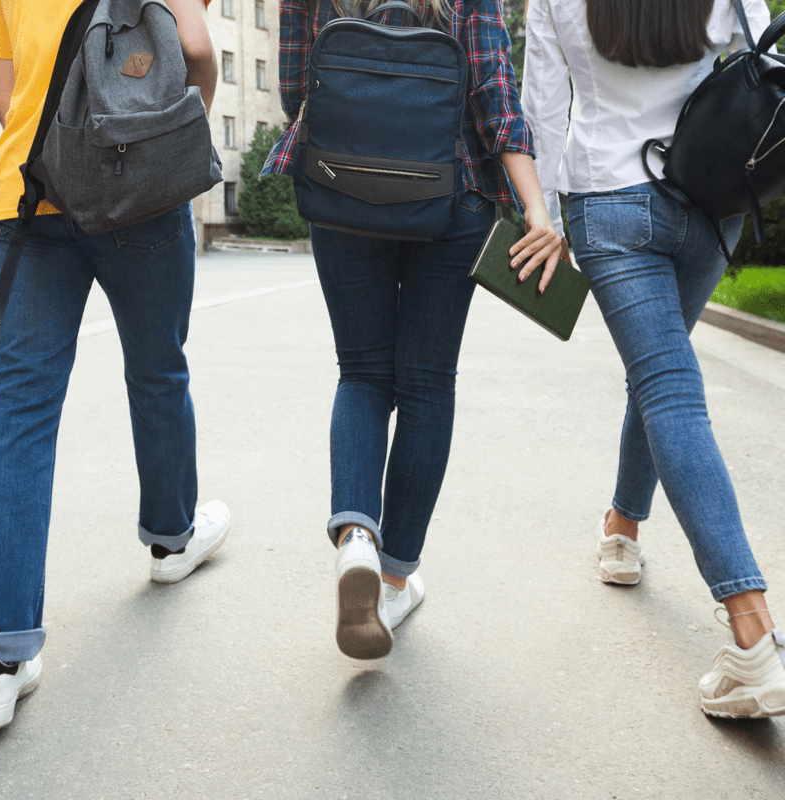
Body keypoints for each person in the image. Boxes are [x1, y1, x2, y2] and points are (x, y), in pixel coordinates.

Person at [0, 0, 227, 731]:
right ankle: (172, 538)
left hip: (32, 188)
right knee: (158, 370)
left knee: (19, 406)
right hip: (137, 186)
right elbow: (196, 53)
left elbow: (6, 97)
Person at [264, 0, 562, 660]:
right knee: (427, 386)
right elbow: (492, 94)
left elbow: (296, 91)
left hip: (341, 190)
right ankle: (394, 578)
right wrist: (537, 209)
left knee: (362, 374)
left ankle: (356, 540)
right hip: (449, 196)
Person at [523, 0, 785, 718]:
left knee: (665, 384)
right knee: (663, 375)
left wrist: (541, 211)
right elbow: (764, 54)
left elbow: (541, 105)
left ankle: (754, 637)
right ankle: (623, 529)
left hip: (608, 200)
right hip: (708, 196)